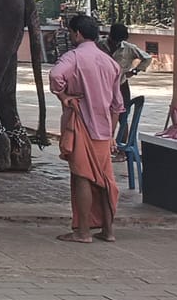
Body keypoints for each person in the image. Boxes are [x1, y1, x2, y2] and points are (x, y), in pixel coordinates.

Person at [52, 15, 125, 244]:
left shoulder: (73, 57)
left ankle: (83, 231)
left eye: (71, 32)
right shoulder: (110, 63)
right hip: (104, 130)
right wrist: (112, 134)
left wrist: (64, 95)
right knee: (104, 179)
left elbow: (55, 76)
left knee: (82, 176)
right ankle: (108, 230)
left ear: (78, 34)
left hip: (81, 124)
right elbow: (117, 105)